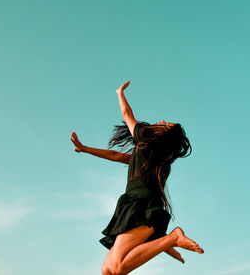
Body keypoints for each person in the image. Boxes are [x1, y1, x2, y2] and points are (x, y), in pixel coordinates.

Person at [70, 80, 204, 275]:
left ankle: (172, 238)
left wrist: (119, 93)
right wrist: (85, 149)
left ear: (162, 133)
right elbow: (118, 156)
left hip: (140, 205)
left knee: (116, 269)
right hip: (140, 203)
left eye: (166, 124)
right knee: (107, 270)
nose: (162, 121)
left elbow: (127, 114)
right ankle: (164, 240)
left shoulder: (144, 137)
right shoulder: (153, 155)